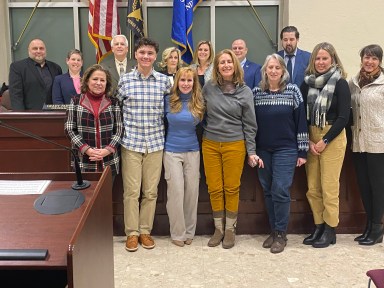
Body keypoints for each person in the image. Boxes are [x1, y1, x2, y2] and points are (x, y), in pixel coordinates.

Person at [115, 37, 172, 252]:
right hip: (131, 143)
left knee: (151, 191)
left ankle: (145, 231)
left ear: (155, 57)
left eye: (150, 53)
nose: (146, 56)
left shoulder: (164, 81)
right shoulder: (125, 81)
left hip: (156, 143)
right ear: (135, 55)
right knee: (131, 192)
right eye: (142, 53)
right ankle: (132, 233)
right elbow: (117, 109)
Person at [202, 49, 263, 249]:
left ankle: (230, 229)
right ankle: (218, 228)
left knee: (231, 187)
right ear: (217, 67)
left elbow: (250, 125)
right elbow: (200, 111)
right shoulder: (209, 88)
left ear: (235, 65)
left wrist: (251, 151)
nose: (226, 65)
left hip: (235, 144)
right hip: (210, 143)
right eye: (222, 62)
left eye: (229, 62)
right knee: (214, 188)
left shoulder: (245, 91)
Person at [253, 54, 309, 253]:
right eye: (270, 67)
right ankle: (274, 230)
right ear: (265, 71)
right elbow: (251, 124)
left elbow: (301, 121)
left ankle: (281, 233)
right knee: (268, 190)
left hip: (286, 149)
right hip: (263, 150)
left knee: (280, 189)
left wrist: (302, 151)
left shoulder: (293, 91)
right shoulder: (256, 93)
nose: (274, 71)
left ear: (283, 70)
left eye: (277, 67)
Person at [300, 42, 351, 248]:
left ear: (333, 60)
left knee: (329, 186)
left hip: (333, 136)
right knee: (313, 187)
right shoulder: (307, 83)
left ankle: (330, 229)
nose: (321, 62)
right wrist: (310, 140)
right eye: (317, 59)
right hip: (312, 136)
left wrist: (325, 140)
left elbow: (343, 117)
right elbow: (300, 114)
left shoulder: (340, 83)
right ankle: (319, 225)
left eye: (325, 58)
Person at [164, 67, 204, 247]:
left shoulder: (200, 102)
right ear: (177, 82)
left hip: (193, 151)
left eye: (190, 81)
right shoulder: (168, 101)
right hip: (172, 151)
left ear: (194, 83)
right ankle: (177, 233)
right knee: (176, 192)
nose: (186, 84)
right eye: (183, 80)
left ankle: (189, 231)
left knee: (192, 193)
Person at [349, 44, 384, 246]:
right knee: (364, 186)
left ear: (379, 61)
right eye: (366, 57)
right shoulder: (354, 83)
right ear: (361, 59)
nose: (369, 62)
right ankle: (368, 226)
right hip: (358, 142)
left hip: (378, 143)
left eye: (374, 58)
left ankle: (377, 228)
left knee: (377, 187)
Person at [65, 64, 123, 176]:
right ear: (87, 81)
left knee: (107, 193)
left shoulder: (113, 102)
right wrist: (87, 149)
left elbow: (119, 129)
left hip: (109, 160)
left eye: (102, 80)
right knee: (85, 193)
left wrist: (108, 150)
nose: (99, 83)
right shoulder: (76, 101)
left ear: (107, 83)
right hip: (84, 160)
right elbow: (70, 129)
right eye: (95, 79)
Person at [9, 38, 62, 110]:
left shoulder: (56, 68)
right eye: (35, 48)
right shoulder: (17, 67)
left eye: (41, 48)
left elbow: (59, 93)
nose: (38, 51)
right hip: (30, 115)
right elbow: (16, 95)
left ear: (45, 50)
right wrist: (20, 117)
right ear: (29, 50)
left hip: (53, 115)